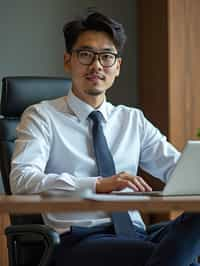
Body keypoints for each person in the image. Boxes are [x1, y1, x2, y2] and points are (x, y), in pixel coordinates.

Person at [10, 11, 200, 266]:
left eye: (107, 57)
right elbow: (22, 180)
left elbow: (180, 174)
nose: (97, 65)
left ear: (117, 67)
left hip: (137, 235)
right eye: (86, 54)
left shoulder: (132, 119)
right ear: (68, 61)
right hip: (78, 240)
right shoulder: (41, 116)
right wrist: (97, 184)